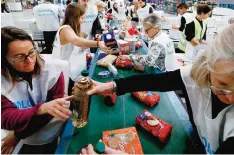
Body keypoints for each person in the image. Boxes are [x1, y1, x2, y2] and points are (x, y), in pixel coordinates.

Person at [83, 24, 234, 154]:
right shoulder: (197, 74)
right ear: (208, 67)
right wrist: (112, 86)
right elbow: (159, 81)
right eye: (223, 85)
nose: (231, 98)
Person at [1, 27, 73, 154]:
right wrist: (40, 109)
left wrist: (18, 135)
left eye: (31, 52)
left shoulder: (53, 70)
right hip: (28, 140)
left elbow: (52, 112)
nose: (29, 60)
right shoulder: (3, 82)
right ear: (4, 59)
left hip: (50, 132)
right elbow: (6, 118)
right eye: (19, 57)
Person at [51, 3, 109, 95]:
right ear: (73, 18)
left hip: (76, 70)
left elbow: (80, 44)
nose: (84, 20)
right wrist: (97, 43)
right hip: (67, 73)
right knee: (69, 95)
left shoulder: (73, 30)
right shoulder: (65, 29)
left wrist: (94, 37)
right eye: (82, 18)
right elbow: (76, 40)